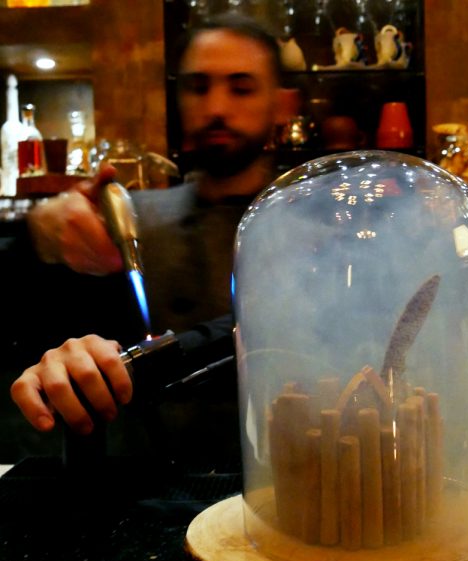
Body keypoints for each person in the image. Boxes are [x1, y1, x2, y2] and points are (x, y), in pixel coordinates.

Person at [10, 12, 286, 468]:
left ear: (280, 103)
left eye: (241, 88)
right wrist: (39, 233)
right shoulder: (133, 226)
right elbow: (45, 325)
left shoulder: (320, 231)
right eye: (198, 87)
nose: (217, 107)